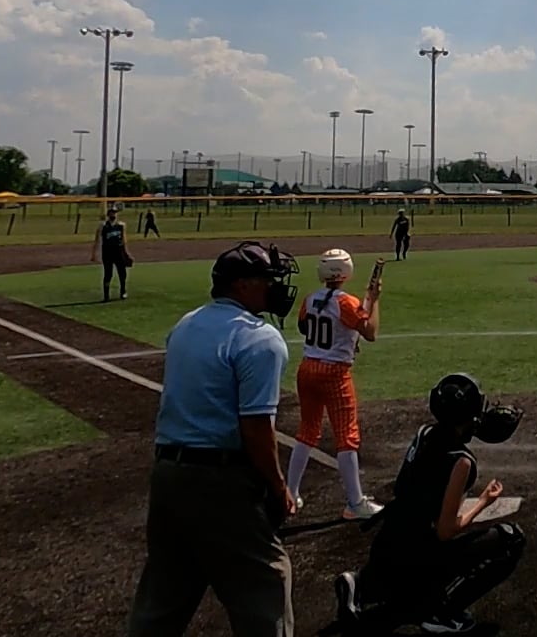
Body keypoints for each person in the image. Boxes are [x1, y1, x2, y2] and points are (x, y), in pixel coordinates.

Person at [127, 242, 302, 637]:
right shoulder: (260, 339)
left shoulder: (186, 324)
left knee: (165, 593)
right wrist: (278, 488)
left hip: (168, 476)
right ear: (242, 285)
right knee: (265, 584)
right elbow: (256, 428)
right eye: (267, 280)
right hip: (219, 482)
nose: (274, 287)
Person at [334, 373, 526, 635]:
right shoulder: (462, 462)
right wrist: (483, 502)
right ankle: (440, 612)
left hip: (386, 545)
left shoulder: (424, 432)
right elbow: (446, 531)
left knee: (406, 545)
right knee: (510, 539)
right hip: (417, 558)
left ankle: (360, 584)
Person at [287, 249, 384, 520]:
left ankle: (290, 492)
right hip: (335, 372)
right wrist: (374, 300)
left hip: (308, 367)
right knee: (346, 435)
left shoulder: (310, 299)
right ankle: (355, 502)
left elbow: (306, 328)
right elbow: (370, 332)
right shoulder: (347, 302)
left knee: (307, 431)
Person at [100, 204, 133, 302]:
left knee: (122, 272)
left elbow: (124, 240)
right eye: (111, 213)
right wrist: (93, 254)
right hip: (107, 252)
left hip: (119, 251)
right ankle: (106, 295)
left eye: (114, 213)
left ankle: (123, 291)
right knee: (108, 274)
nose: (113, 215)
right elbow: (98, 240)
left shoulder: (121, 225)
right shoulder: (103, 226)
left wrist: (126, 253)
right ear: (108, 214)